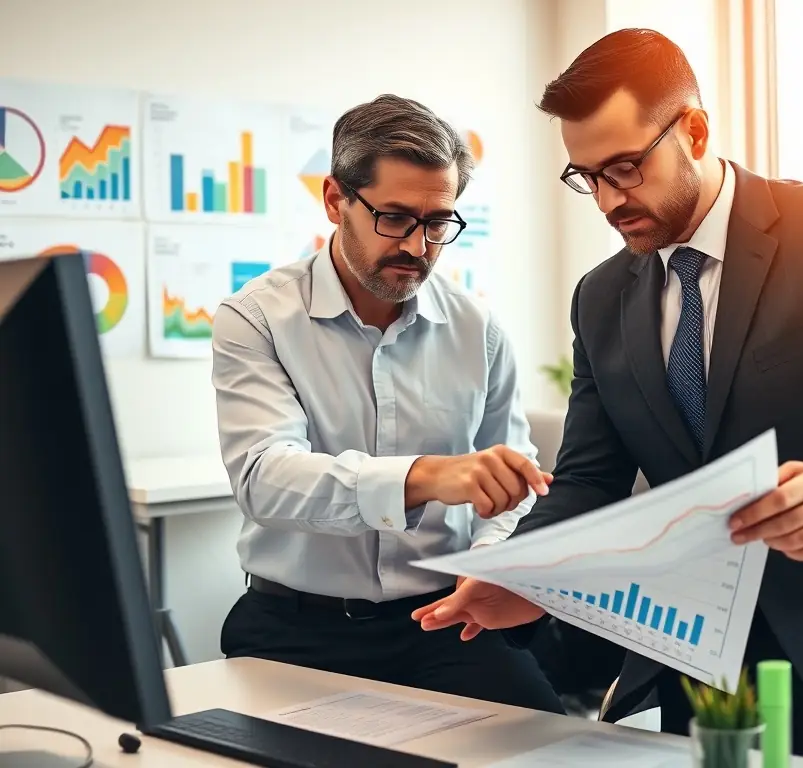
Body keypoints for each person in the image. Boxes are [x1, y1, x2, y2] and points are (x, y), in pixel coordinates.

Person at [412, 29, 803, 766]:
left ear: (694, 131)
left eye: (626, 168)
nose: (608, 199)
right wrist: (529, 579)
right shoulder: (602, 297)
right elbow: (586, 481)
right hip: (700, 664)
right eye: (586, 177)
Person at [210, 94, 564, 714]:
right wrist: (426, 477)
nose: (419, 247)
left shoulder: (476, 328)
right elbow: (264, 478)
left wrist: (488, 561)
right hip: (295, 629)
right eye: (395, 218)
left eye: (438, 224)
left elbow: (515, 483)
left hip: (444, 623)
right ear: (334, 200)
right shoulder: (257, 318)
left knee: (553, 751)